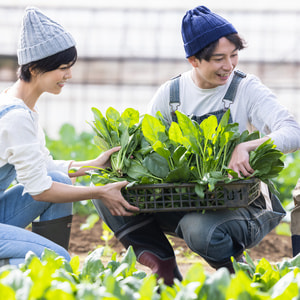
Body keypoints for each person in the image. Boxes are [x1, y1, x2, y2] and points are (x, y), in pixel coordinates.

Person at [92, 5, 300, 284]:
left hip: (244, 202)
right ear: (194, 60)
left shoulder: (246, 89)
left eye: (234, 56)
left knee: (200, 230)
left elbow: (293, 132)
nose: (229, 66)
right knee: (103, 192)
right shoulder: (171, 94)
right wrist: (122, 165)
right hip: (187, 198)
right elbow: (146, 147)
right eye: (218, 59)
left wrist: (247, 147)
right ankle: (163, 270)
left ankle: (236, 274)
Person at [0, 7, 139, 267]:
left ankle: (48, 276)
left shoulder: (21, 107)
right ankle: (44, 270)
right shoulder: (15, 117)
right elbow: (40, 191)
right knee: (57, 258)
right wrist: (100, 192)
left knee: (58, 178)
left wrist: (94, 165)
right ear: (33, 68)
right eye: (63, 68)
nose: (69, 75)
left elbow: (45, 170)